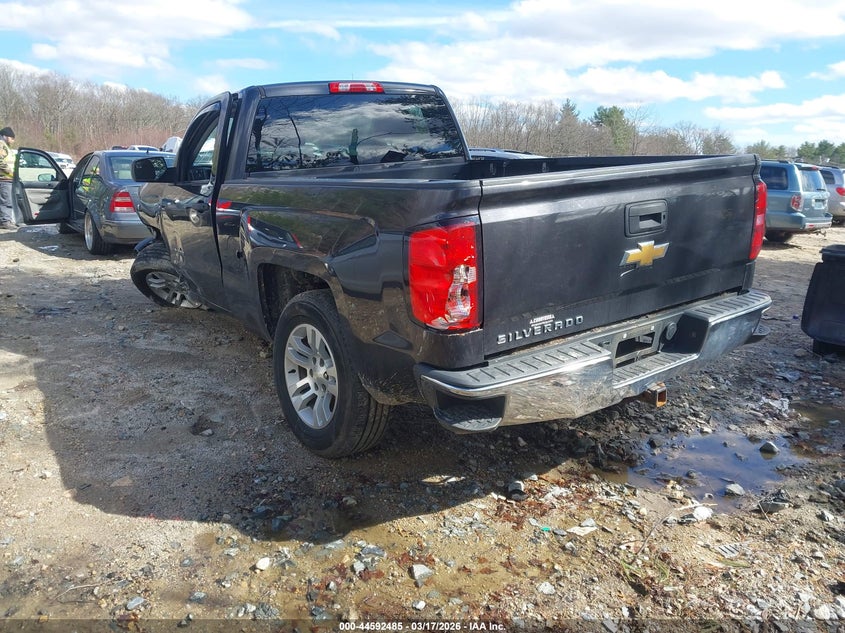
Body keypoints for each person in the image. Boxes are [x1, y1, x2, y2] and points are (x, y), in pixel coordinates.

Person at [0, 126, 16, 229]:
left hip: (7, 178)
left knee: (5, 200)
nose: (13, 141)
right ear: (5, 136)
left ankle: (6, 220)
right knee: (6, 201)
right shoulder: (1, 145)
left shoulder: (5, 146)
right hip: (4, 178)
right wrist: (11, 173)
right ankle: (5, 222)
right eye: (12, 138)